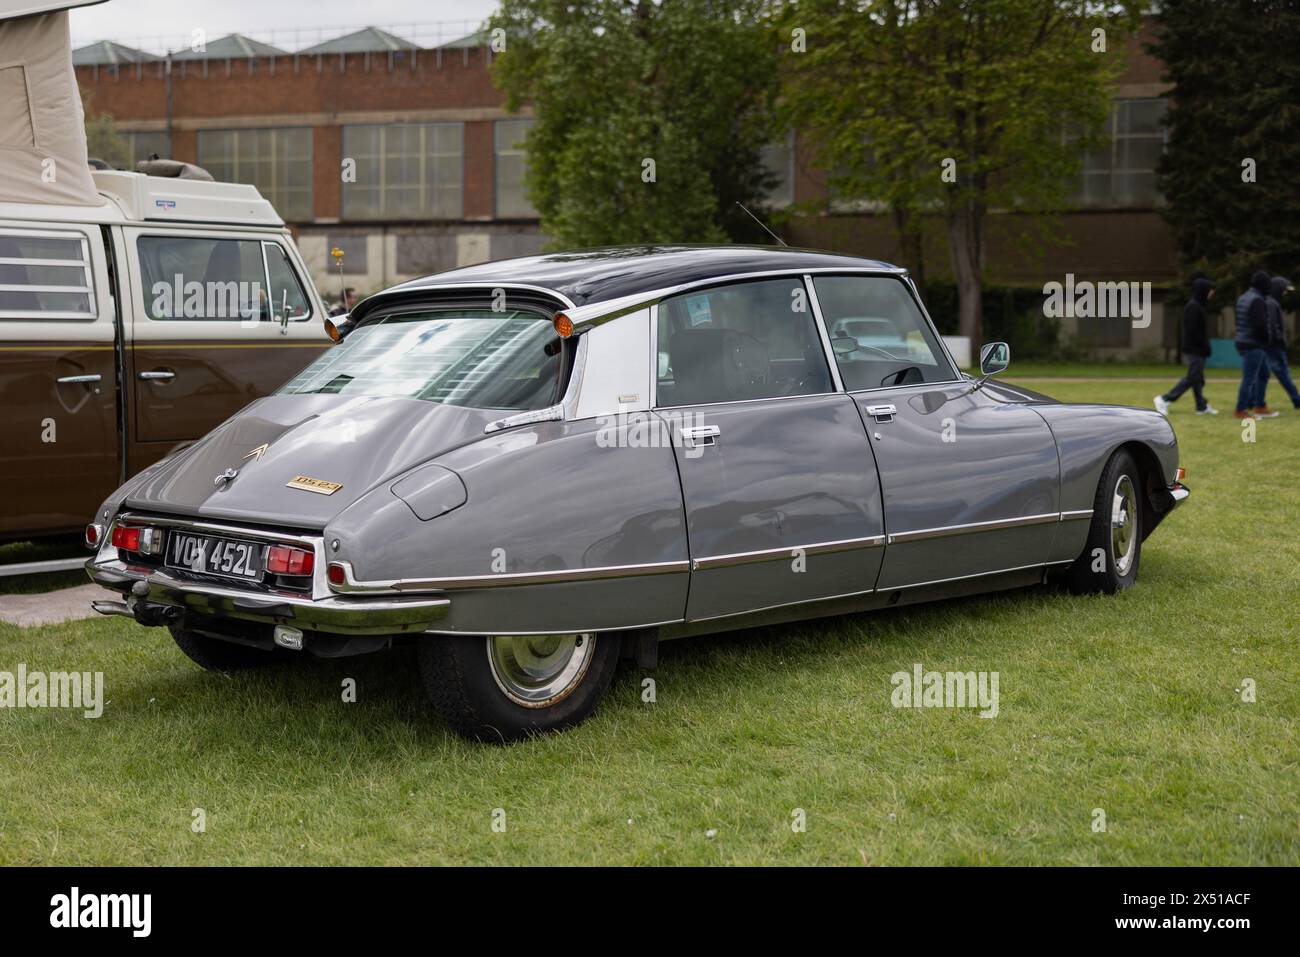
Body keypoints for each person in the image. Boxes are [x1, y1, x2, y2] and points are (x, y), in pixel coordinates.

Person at [1156, 277, 1217, 415]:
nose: (1212, 293)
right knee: (1193, 377)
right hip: (1195, 349)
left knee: (1198, 379)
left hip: (1199, 349)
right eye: (1210, 290)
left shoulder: (1199, 306)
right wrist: (1203, 347)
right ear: (1203, 291)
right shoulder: (1193, 307)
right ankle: (1165, 399)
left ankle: (1201, 406)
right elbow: (1192, 332)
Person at [1234, 271, 1274, 419]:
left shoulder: (1243, 297)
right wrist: (1267, 339)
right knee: (1249, 378)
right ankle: (1240, 410)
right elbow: (1260, 324)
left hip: (1244, 340)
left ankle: (1260, 405)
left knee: (1263, 373)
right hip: (1254, 343)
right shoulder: (1257, 300)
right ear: (1264, 285)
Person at [1257, 276, 1300, 410]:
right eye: (1284, 290)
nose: (1285, 293)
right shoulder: (1271, 303)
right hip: (1274, 347)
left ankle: (1256, 401)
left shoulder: (1270, 302)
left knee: (1263, 374)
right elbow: (1272, 326)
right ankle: (1296, 400)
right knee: (1282, 373)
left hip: (1270, 345)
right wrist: (1280, 341)